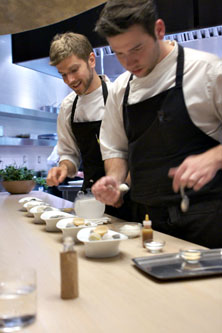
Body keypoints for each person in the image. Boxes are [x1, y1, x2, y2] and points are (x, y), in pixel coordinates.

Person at [92, 0, 222, 248]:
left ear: (159, 30)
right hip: (147, 222)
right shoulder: (121, 89)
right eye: (119, 53)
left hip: (208, 221)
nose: (128, 62)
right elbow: (115, 149)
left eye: (136, 48)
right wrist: (115, 181)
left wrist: (214, 157)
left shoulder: (206, 70)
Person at [46, 32, 132, 220]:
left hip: (128, 198)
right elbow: (70, 155)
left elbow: (137, 152)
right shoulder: (69, 107)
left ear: (91, 60)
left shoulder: (119, 95)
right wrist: (64, 168)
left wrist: (120, 187)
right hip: (91, 200)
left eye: (74, 70)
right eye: (63, 75)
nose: (69, 80)